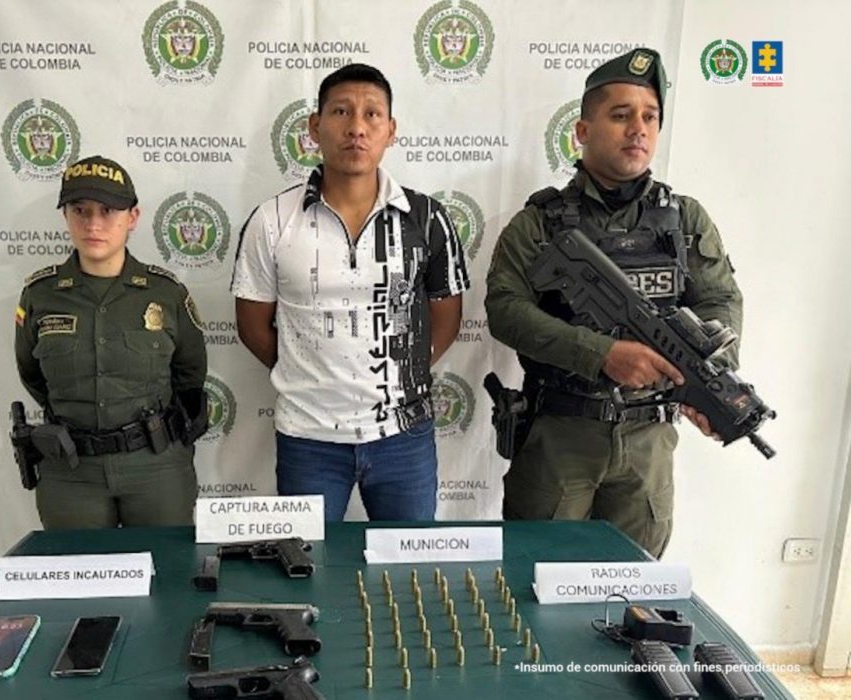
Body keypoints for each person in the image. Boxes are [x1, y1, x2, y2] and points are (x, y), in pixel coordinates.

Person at [485, 48, 743, 557]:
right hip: (561, 434)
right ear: (582, 131)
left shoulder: (686, 220)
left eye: (649, 117)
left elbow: (720, 303)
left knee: (633, 591)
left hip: (649, 440)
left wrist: (712, 379)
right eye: (620, 116)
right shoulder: (539, 224)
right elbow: (506, 311)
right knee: (532, 580)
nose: (638, 130)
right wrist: (599, 353)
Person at [231, 64, 470, 522]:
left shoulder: (425, 218)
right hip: (308, 438)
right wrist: (313, 378)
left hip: (404, 435)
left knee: (407, 572)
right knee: (307, 569)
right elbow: (251, 324)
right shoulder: (273, 220)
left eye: (372, 115)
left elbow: (447, 317)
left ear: (391, 130)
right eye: (341, 112)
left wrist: (402, 376)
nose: (356, 127)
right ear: (315, 127)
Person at [14, 155, 208, 528]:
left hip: (155, 468)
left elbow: (190, 375)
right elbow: (32, 375)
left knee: (167, 576)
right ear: (66, 217)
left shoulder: (165, 294)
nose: (93, 224)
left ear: (132, 217)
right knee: (80, 579)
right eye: (80, 210)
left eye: (108, 211)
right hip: (72, 471)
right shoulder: (40, 296)